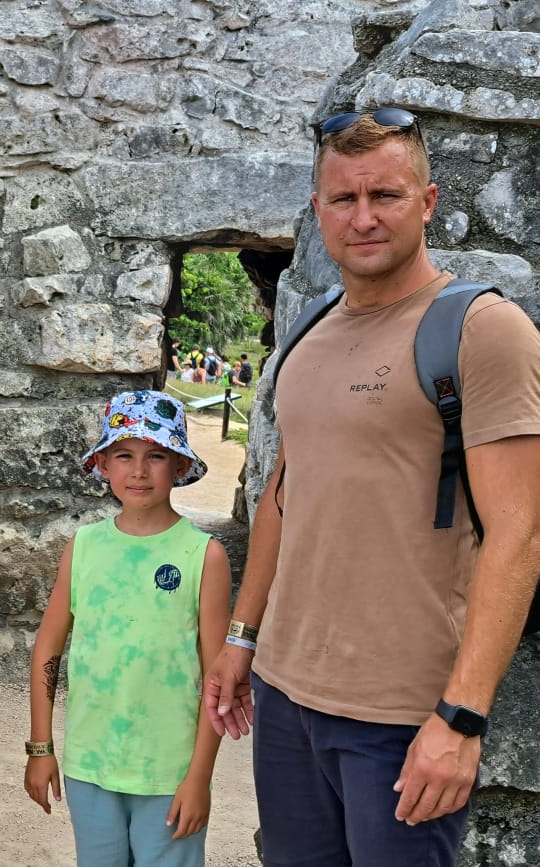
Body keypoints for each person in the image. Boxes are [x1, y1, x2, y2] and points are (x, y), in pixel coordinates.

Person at [203, 108, 540, 866]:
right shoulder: (311, 329)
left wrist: (462, 716)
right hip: (288, 697)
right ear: (318, 210)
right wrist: (241, 638)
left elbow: (520, 536)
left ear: (427, 200)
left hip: (400, 714)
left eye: (384, 195)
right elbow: (284, 497)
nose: (363, 218)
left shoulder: (483, 330)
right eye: (343, 199)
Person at [25, 391, 231, 867]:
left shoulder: (204, 556)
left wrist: (198, 777)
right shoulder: (84, 547)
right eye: (124, 454)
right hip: (90, 765)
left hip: (169, 773)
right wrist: (41, 748)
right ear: (102, 463)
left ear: (179, 465)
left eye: (155, 456)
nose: (139, 470)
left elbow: (217, 679)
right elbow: (47, 650)